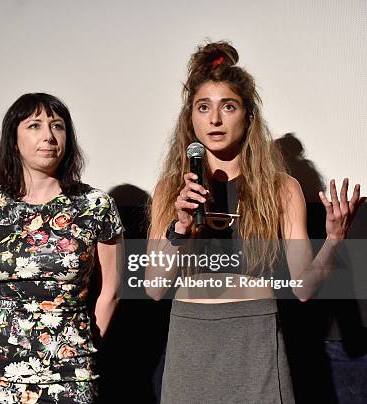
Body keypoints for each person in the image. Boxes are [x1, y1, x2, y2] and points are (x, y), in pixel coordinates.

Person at [146, 41, 361, 403]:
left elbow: (304, 289)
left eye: (227, 106)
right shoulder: (172, 189)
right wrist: (179, 226)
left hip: (255, 336)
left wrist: (335, 239)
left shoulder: (281, 188)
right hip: (190, 340)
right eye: (203, 108)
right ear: (191, 119)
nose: (214, 119)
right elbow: (153, 287)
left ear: (247, 116)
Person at [0, 93, 124, 403]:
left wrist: (81, 345)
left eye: (57, 126)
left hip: (70, 366)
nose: (48, 136)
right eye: (35, 126)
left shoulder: (95, 206)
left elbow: (111, 293)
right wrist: (10, 335)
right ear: (14, 139)